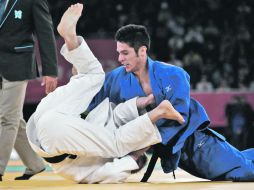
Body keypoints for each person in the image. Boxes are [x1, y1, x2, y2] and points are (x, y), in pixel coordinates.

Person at [26, 4, 185, 184]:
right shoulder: (99, 139)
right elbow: (117, 116)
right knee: (94, 76)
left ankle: (72, 44)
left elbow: (120, 155)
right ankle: (70, 37)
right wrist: (142, 102)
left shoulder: (101, 162)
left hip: (48, 128)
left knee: (115, 142)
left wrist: (137, 153)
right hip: (46, 125)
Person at [89, 22, 254, 181]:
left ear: (142, 51)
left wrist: (138, 151)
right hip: (174, 153)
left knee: (243, 171)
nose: (119, 58)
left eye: (125, 53)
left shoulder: (173, 74)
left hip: (195, 142)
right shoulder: (115, 79)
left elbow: (179, 117)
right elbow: (92, 104)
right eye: (118, 52)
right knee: (237, 161)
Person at [0, 0, 58, 181]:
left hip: (18, 64)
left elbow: (45, 33)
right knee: (14, 118)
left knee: (6, 118)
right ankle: (35, 164)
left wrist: (50, 71)